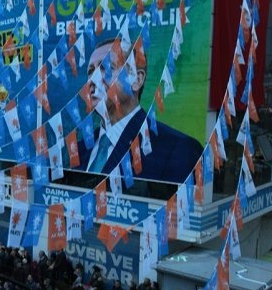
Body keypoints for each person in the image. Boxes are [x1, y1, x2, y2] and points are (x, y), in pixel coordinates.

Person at [78, 39, 203, 183]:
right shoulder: (80, 149)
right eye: (90, 71)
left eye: (105, 67)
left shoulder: (178, 150)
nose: (93, 79)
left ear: (136, 80)